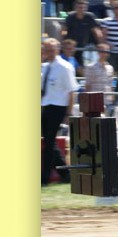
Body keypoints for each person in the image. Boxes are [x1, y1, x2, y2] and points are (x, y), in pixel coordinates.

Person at [41, 38, 79, 185]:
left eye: (51, 50)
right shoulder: (44, 67)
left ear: (57, 50)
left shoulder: (65, 67)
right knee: (49, 142)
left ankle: (45, 177)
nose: (48, 53)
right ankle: (65, 173)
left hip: (58, 107)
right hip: (45, 105)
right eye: (46, 50)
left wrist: (68, 113)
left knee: (49, 143)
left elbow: (71, 91)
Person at [82, 43, 115, 114]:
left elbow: (110, 83)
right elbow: (87, 85)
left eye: (107, 52)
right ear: (98, 53)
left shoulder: (110, 68)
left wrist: (112, 97)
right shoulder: (90, 67)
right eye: (102, 51)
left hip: (107, 100)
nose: (105, 54)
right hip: (94, 100)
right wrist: (86, 101)